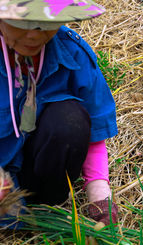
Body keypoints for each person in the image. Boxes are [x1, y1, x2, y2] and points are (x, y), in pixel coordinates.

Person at [0, 0, 118, 228]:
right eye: (22, 22)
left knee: (69, 120)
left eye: (46, 23)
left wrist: (100, 196)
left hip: (40, 176)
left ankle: (43, 208)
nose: (34, 35)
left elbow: (94, 136)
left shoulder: (73, 54)